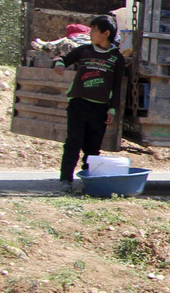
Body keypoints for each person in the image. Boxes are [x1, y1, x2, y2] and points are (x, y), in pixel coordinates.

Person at [54, 14, 127, 192]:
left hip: (100, 108)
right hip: (78, 104)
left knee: (93, 147)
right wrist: (59, 64)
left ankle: (88, 180)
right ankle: (66, 180)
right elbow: (63, 58)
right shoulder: (84, 50)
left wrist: (112, 110)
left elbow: (117, 86)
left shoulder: (116, 58)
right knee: (73, 142)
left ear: (105, 33)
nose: (91, 33)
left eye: (94, 30)